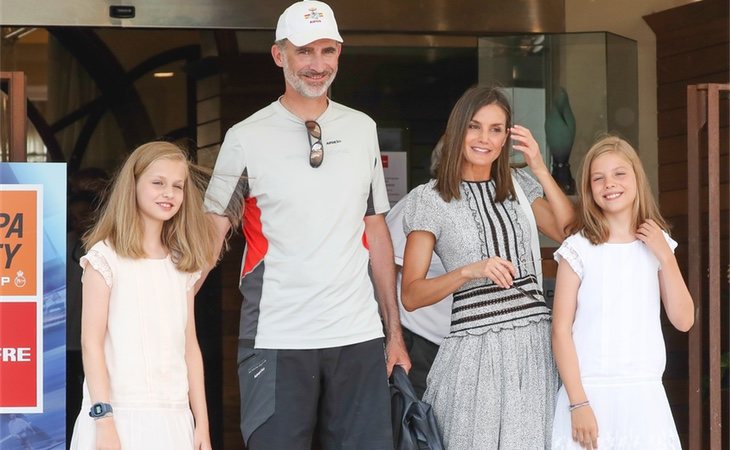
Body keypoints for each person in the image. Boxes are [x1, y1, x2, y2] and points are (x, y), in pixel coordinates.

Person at [200, 1, 410, 449]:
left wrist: (394, 334)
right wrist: (169, 308)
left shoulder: (362, 129)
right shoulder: (244, 137)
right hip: (277, 335)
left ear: (339, 52)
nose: (318, 65)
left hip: (357, 334)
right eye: (305, 52)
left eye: (327, 51)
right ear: (280, 55)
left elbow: (375, 231)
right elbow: (211, 231)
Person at [401, 85, 575, 449]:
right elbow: (412, 294)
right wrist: (468, 271)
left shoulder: (518, 184)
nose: (484, 138)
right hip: (474, 352)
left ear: (506, 138)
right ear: (458, 130)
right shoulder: (431, 199)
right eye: (475, 127)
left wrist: (541, 168)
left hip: (534, 347)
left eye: (496, 129)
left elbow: (567, 231)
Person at [69, 141, 217, 450]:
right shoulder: (104, 257)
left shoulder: (183, 263)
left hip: (174, 418)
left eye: (178, 186)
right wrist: (104, 419)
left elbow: (190, 347)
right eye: (158, 183)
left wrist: (201, 422)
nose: (169, 193)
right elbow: (91, 343)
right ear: (133, 185)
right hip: (117, 416)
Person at [550, 136, 693, 450]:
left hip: (645, 398)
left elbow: (683, 320)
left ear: (637, 179)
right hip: (589, 395)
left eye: (619, 174)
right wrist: (578, 404)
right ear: (589, 189)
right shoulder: (577, 248)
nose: (609, 184)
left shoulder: (658, 244)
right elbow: (561, 331)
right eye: (598, 178)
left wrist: (665, 256)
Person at [386, 138, 452, 399]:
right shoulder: (420, 203)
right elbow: (385, 266)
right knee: (422, 432)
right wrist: (394, 333)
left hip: (462, 346)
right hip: (421, 341)